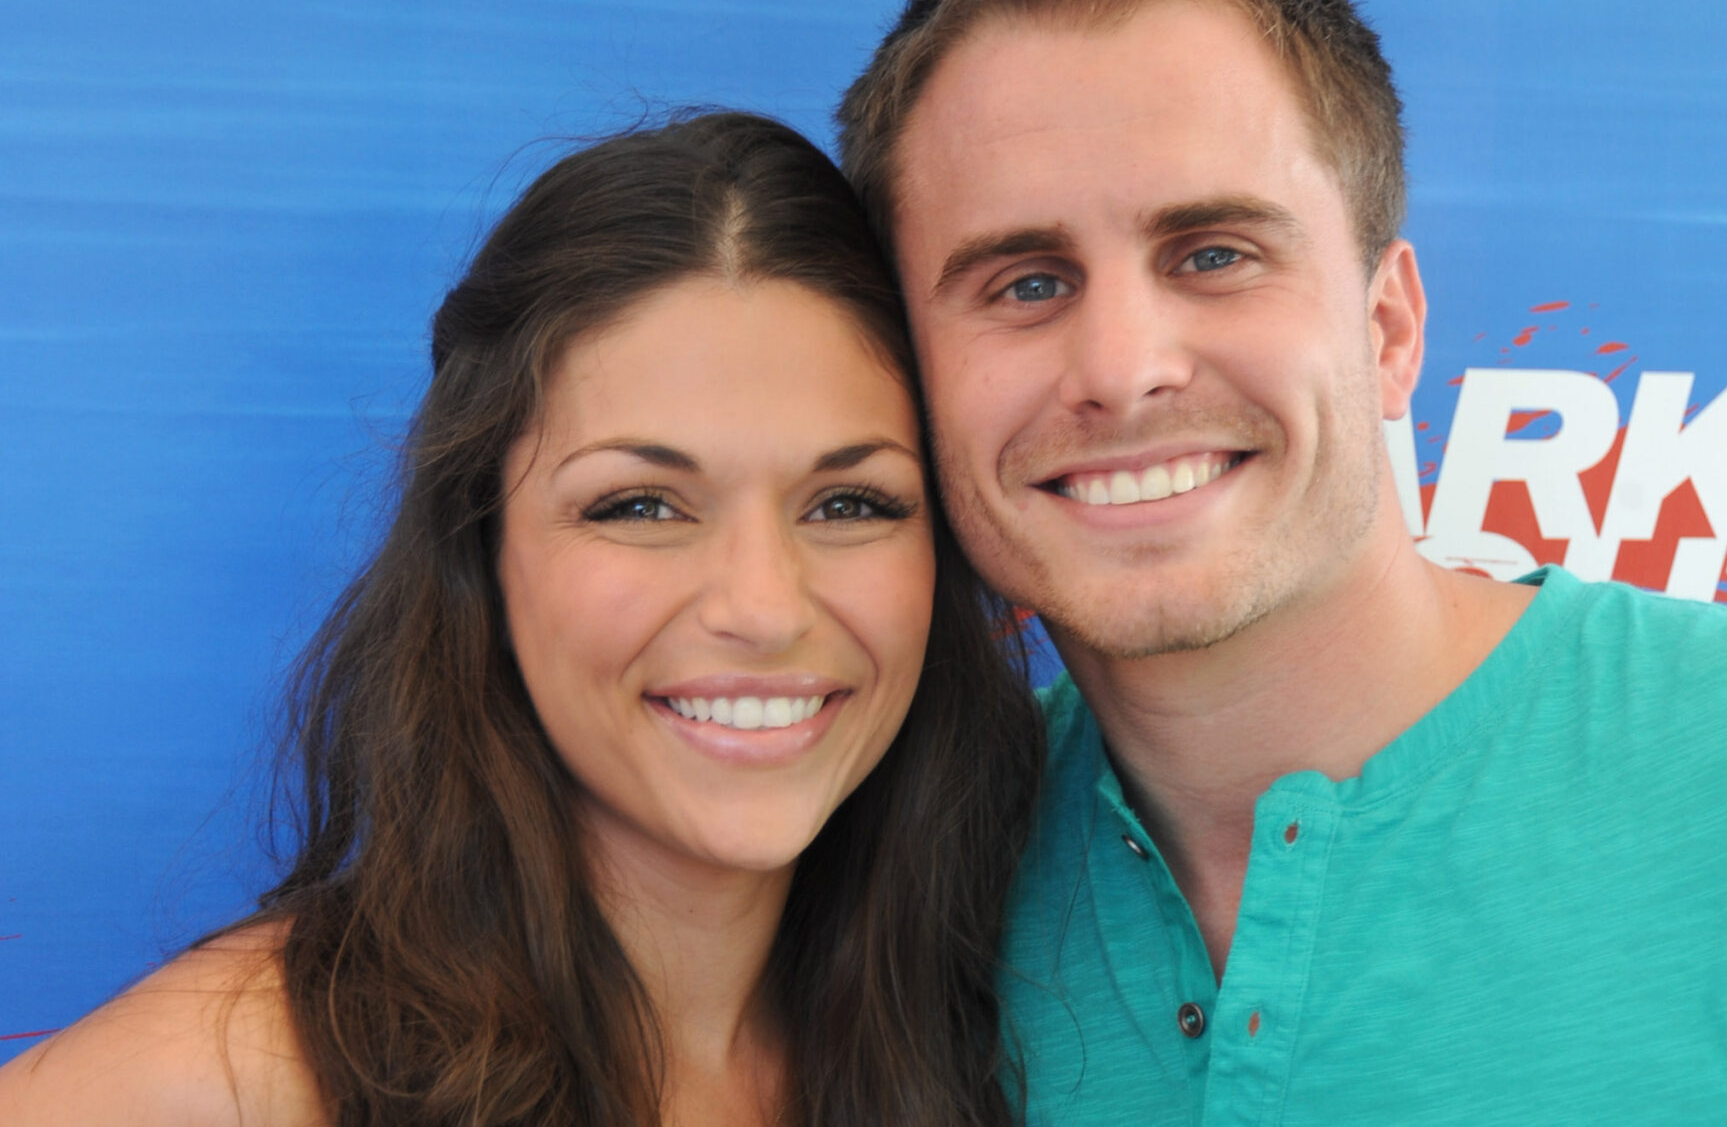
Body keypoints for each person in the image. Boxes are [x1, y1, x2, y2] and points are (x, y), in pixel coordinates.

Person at [836, 0, 1727, 1122]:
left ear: (1387, 329)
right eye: (1025, 282)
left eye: (1213, 253)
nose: (1122, 366)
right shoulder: (886, 888)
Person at [0, 112, 1042, 1126]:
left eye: (849, 503)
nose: (763, 607)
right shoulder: (233, 1076)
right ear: (482, 556)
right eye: (639, 505)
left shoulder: (992, 1034)